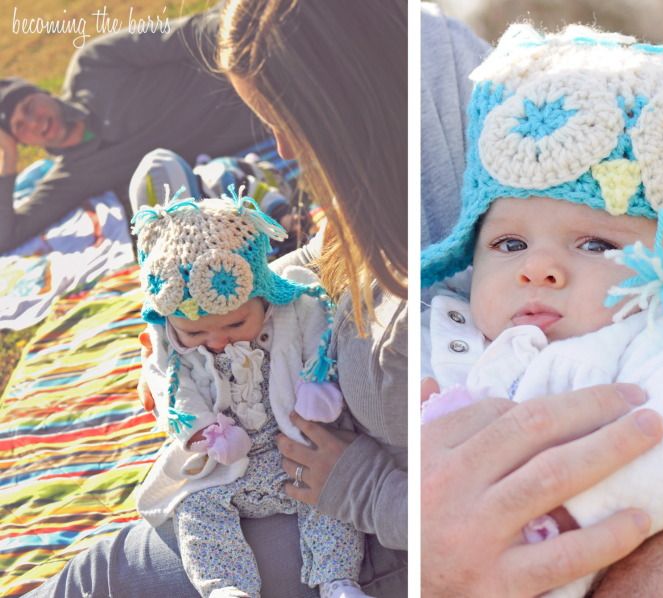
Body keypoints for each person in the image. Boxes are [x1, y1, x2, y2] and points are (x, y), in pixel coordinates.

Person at [22, 0, 407, 596]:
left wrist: (366, 488)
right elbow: (319, 260)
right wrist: (212, 301)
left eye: (285, 117)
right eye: (14, 129)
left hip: (380, 537)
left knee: (93, 577)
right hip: (316, 479)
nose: (281, 143)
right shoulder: (373, 197)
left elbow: (192, 34)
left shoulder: (97, 63)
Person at [420, 4, 663, 596]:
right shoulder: (444, 329)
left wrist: (564, 521)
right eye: (510, 242)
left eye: (597, 244)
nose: (538, 267)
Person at [130, 190, 371, 598]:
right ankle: (225, 587)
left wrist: (317, 387)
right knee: (195, 512)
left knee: (330, 497)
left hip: (295, 448)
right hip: (221, 462)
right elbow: (173, 391)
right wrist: (202, 431)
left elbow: (317, 339)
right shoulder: (171, 346)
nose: (217, 341)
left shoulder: (293, 313)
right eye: (195, 333)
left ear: (265, 299)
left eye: (235, 324)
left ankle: (338, 579)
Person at [0, 7, 263, 254]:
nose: (34, 123)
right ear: (20, 141)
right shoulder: (72, 176)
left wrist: (254, 44)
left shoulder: (93, 64)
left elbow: (189, 33)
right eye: (19, 127)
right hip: (261, 114)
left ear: (40, 92)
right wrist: (8, 159)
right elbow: (6, 236)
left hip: (249, 49)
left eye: (29, 106)